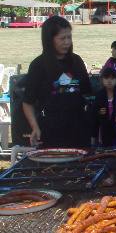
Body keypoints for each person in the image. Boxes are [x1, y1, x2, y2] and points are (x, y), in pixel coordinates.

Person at [22, 16, 92, 147]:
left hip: (78, 128)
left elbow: (88, 93)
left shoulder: (77, 61)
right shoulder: (38, 65)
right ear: (50, 40)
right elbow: (27, 103)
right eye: (62, 38)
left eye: (69, 37)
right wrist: (35, 127)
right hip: (51, 130)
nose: (67, 42)